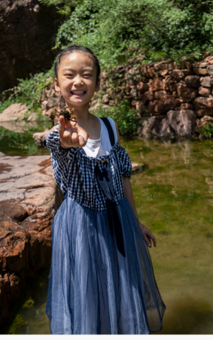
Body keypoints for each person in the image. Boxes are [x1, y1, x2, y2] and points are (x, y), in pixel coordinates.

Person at [45, 45, 166, 334]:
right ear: (57, 83)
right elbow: (59, 150)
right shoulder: (59, 133)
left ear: (97, 82)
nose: (78, 82)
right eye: (69, 75)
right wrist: (66, 144)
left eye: (87, 75)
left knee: (123, 283)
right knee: (88, 288)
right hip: (80, 224)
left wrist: (136, 222)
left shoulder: (110, 127)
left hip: (118, 219)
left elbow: (124, 179)